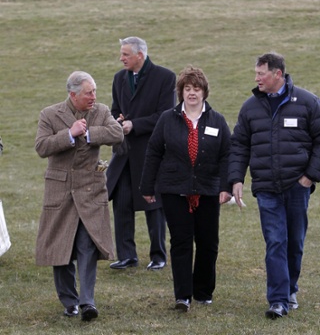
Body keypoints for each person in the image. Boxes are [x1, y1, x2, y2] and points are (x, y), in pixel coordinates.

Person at [229, 52, 320, 319]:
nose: (256, 78)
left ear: (277, 74)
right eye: (256, 73)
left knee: (295, 242)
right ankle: (278, 300)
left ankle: (291, 288)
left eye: (261, 73)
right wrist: (236, 178)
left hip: (297, 187)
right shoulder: (249, 107)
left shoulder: (307, 102)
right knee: (275, 241)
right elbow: (239, 145)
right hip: (266, 187)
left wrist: (309, 177)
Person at [140, 66, 232, 311]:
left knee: (208, 242)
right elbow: (154, 152)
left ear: (204, 92)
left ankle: (203, 291)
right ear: (180, 92)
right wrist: (147, 186)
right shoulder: (167, 119)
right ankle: (182, 296)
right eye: (187, 88)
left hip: (208, 190)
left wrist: (226, 187)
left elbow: (227, 155)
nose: (192, 93)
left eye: (197, 88)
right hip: (174, 189)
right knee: (181, 242)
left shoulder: (217, 120)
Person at [35, 71, 123, 321]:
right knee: (60, 249)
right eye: (88, 92)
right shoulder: (49, 114)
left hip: (90, 191)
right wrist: (69, 134)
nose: (93, 96)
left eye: (94, 91)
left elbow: (117, 134)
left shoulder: (101, 111)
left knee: (87, 245)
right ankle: (69, 301)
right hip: (60, 192)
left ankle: (88, 302)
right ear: (73, 95)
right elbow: (41, 147)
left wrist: (89, 133)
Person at [106, 36, 176, 270]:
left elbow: (165, 115)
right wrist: (118, 120)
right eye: (121, 53)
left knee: (154, 204)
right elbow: (116, 109)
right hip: (124, 153)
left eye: (125, 54)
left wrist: (135, 124)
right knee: (122, 202)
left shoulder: (165, 77)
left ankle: (158, 256)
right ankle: (127, 255)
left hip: (151, 152)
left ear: (140, 55)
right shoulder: (119, 78)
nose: (121, 58)